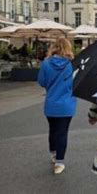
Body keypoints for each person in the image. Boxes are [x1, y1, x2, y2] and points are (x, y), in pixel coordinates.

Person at [37, 38, 76, 175]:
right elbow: (76, 83)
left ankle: (53, 153)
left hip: (51, 104)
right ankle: (59, 162)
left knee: (52, 130)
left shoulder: (46, 64)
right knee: (62, 132)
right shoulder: (72, 65)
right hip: (67, 105)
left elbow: (41, 82)